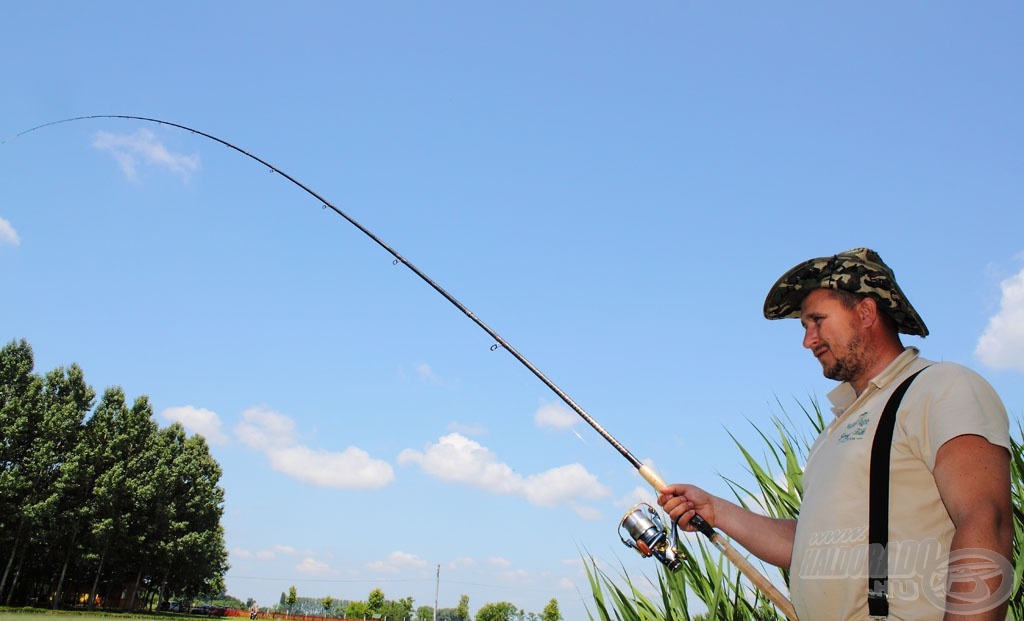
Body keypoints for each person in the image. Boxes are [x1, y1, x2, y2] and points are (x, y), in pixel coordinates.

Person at [658, 248, 1013, 620]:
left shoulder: (941, 387)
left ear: (865, 312)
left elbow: (986, 520)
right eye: (805, 327)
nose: (808, 341)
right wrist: (716, 511)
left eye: (817, 321)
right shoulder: (834, 432)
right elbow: (810, 546)